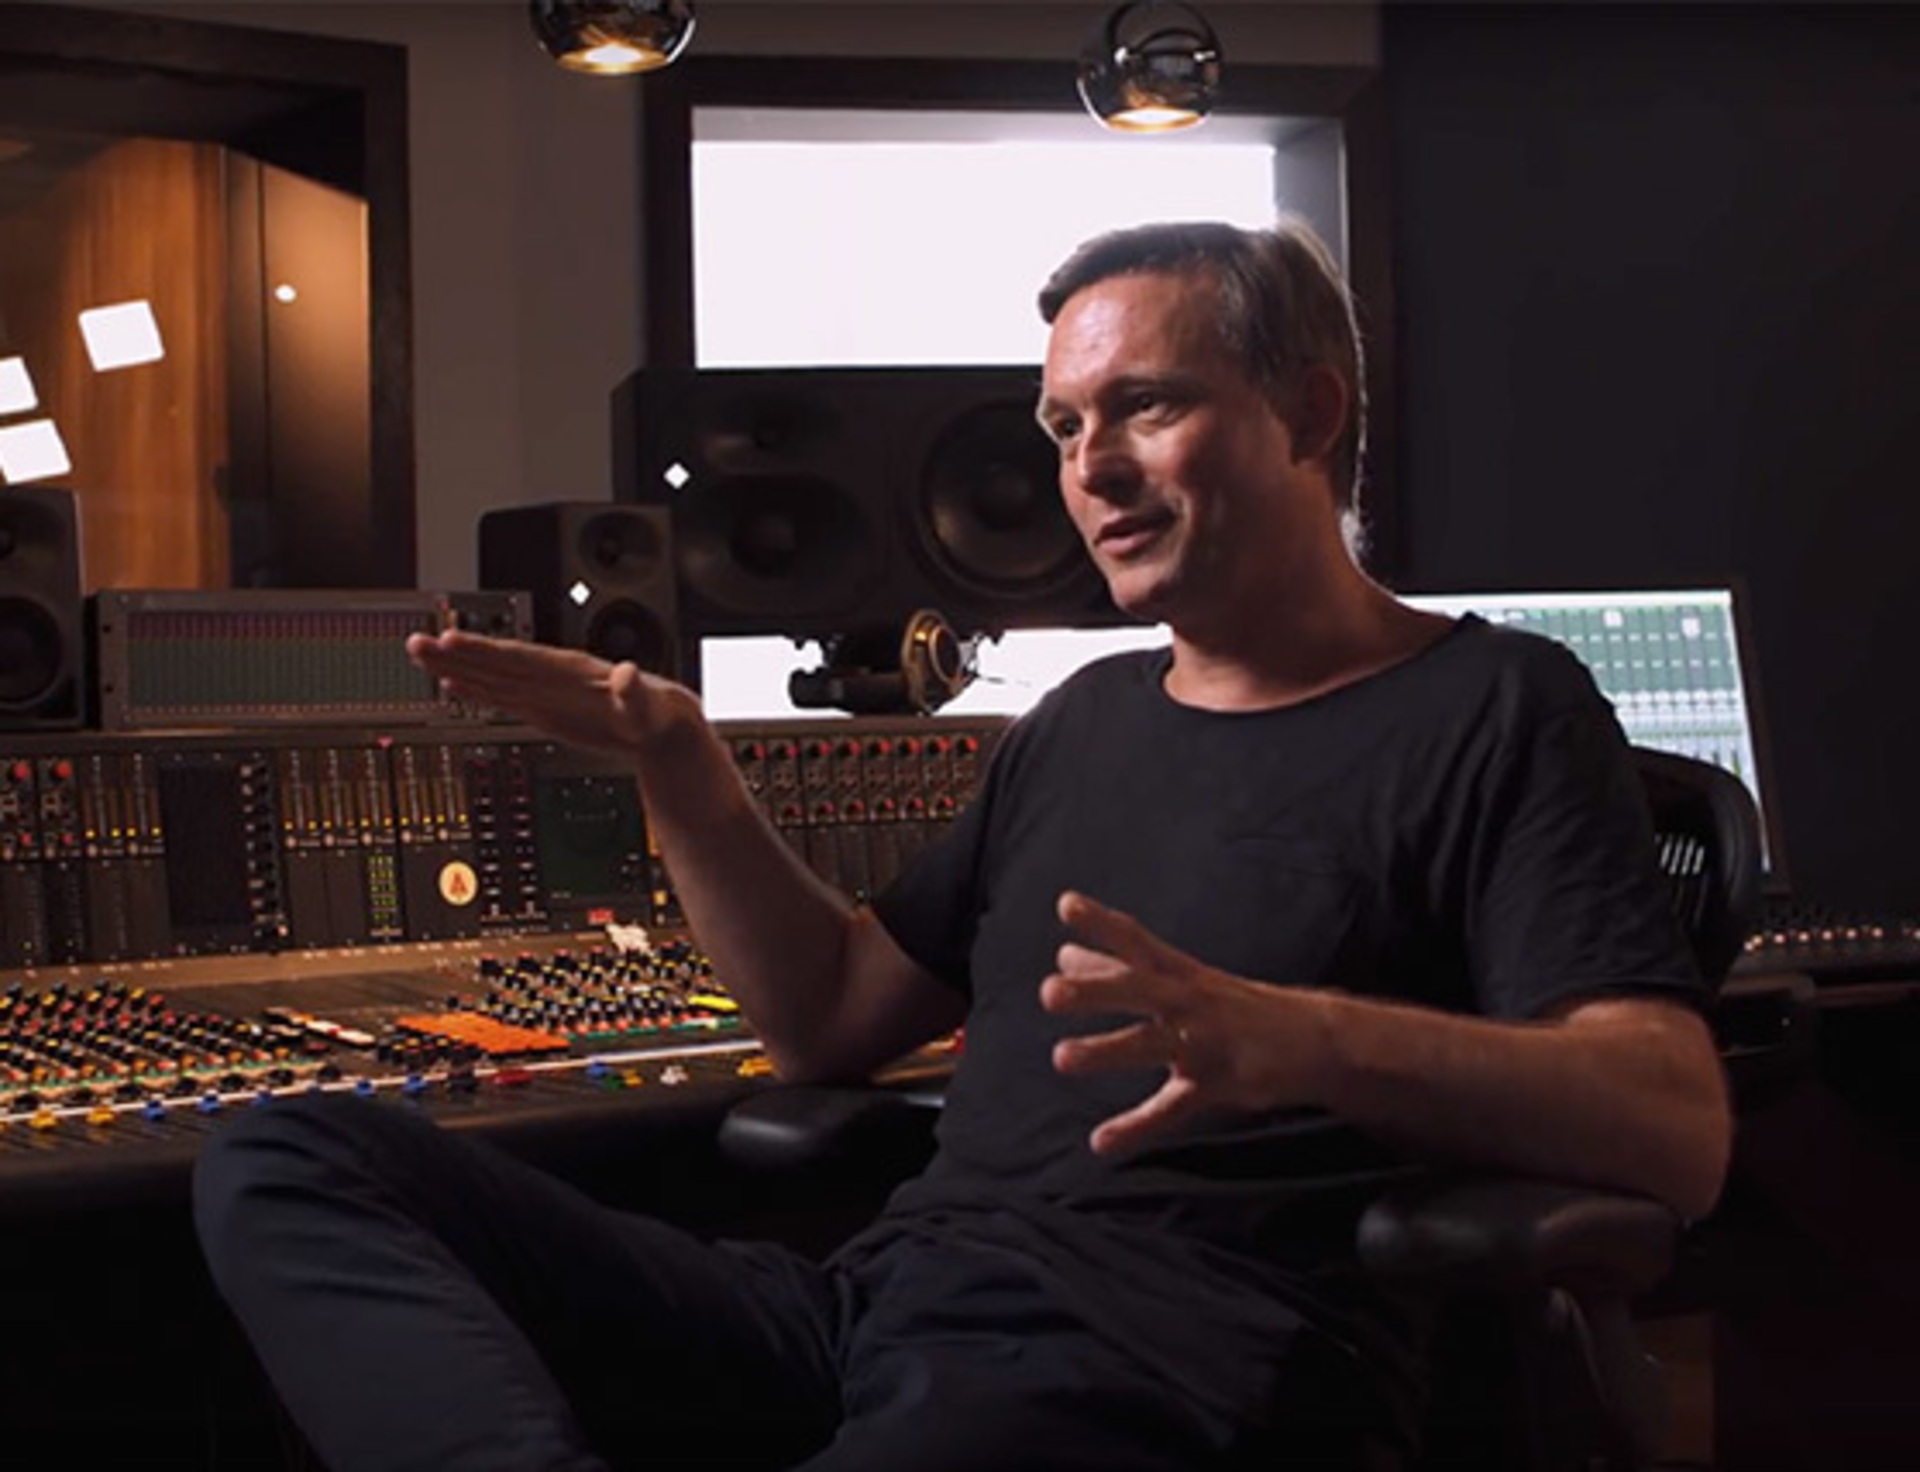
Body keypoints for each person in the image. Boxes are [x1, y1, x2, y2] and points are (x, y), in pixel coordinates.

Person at [193, 219, 1731, 1471]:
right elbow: (829, 1020)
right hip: (872, 1317)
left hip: (1162, 1370)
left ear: (1311, 414)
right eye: (1064, 425)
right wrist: (679, 760)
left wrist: (1309, 1039)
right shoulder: (1081, 723)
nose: (1091, 468)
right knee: (292, 1155)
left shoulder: (1495, 707)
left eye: (1147, 406)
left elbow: (1674, 1123)